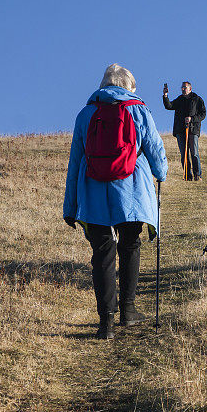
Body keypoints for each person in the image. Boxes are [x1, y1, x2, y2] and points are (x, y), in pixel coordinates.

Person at [63, 64, 168, 339]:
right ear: (128, 86)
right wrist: (162, 172)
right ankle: (128, 311)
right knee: (130, 245)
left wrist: (70, 207)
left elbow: (75, 162)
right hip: (131, 191)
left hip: (93, 193)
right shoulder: (138, 109)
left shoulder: (86, 114)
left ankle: (105, 323)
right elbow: (155, 149)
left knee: (102, 253)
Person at [163, 81, 206, 181]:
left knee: (194, 153)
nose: (183, 89)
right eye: (182, 87)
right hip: (180, 130)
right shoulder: (179, 99)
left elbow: (203, 114)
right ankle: (187, 175)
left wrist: (192, 119)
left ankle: (197, 175)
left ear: (190, 88)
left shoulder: (197, 99)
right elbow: (169, 106)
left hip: (193, 130)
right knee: (184, 154)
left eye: (185, 87)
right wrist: (165, 95)